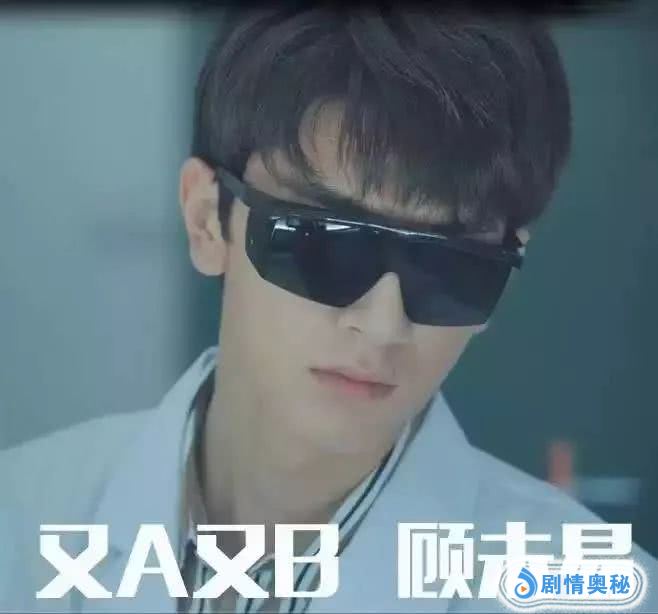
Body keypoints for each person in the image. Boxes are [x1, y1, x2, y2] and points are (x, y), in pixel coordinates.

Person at [1, 6, 656, 614]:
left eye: (450, 269)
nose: (382, 325)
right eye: (325, 245)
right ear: (207, 219)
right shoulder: (21, 523)